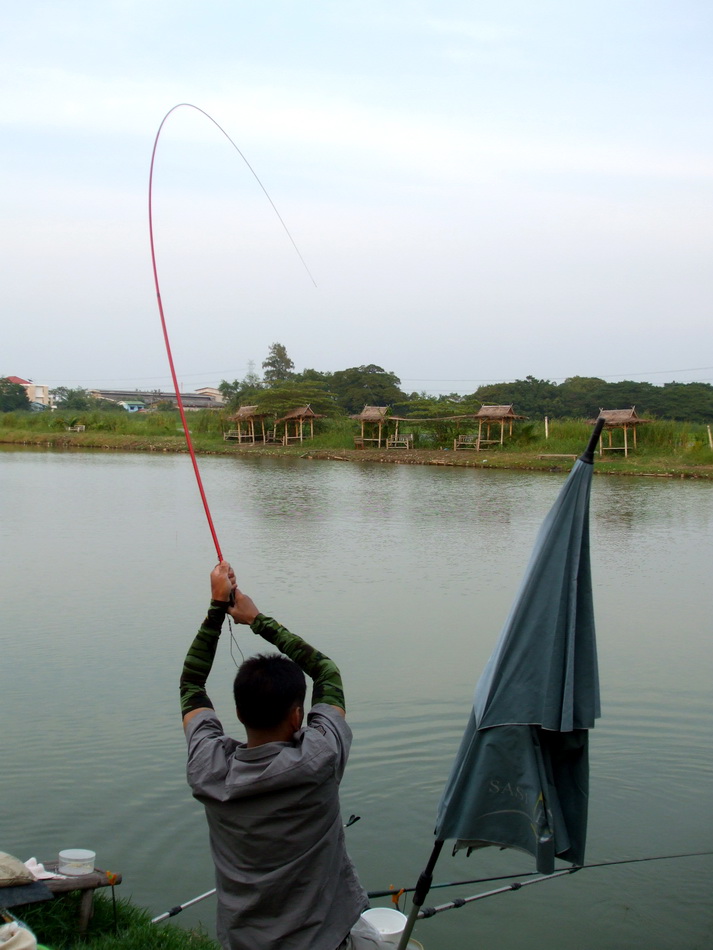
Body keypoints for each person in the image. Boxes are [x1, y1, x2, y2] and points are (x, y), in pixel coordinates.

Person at [180, 562, 380, 950]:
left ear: (237, 714)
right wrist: (256, 619)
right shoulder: (320, 758)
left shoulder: (208, 769)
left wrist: (216, 607)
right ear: (296, 715)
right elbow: (327, 674)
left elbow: (191, 683)